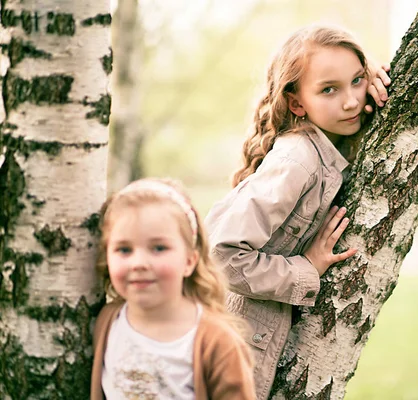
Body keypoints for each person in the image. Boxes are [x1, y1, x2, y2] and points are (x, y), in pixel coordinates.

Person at [204, 25, 391, 399]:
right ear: (296, 103)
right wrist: (306, 269)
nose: (351, 101)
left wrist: (393, 97)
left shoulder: (338, 140)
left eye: (356, 81)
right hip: (236, 349)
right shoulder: (298, 160)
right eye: (329, 89)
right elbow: (218, 255)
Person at [90, 178, 255, 400]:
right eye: (124, 249)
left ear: (189, 261)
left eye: (159, 248)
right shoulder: (108, 321)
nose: (139, 263)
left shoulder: (218, 343)